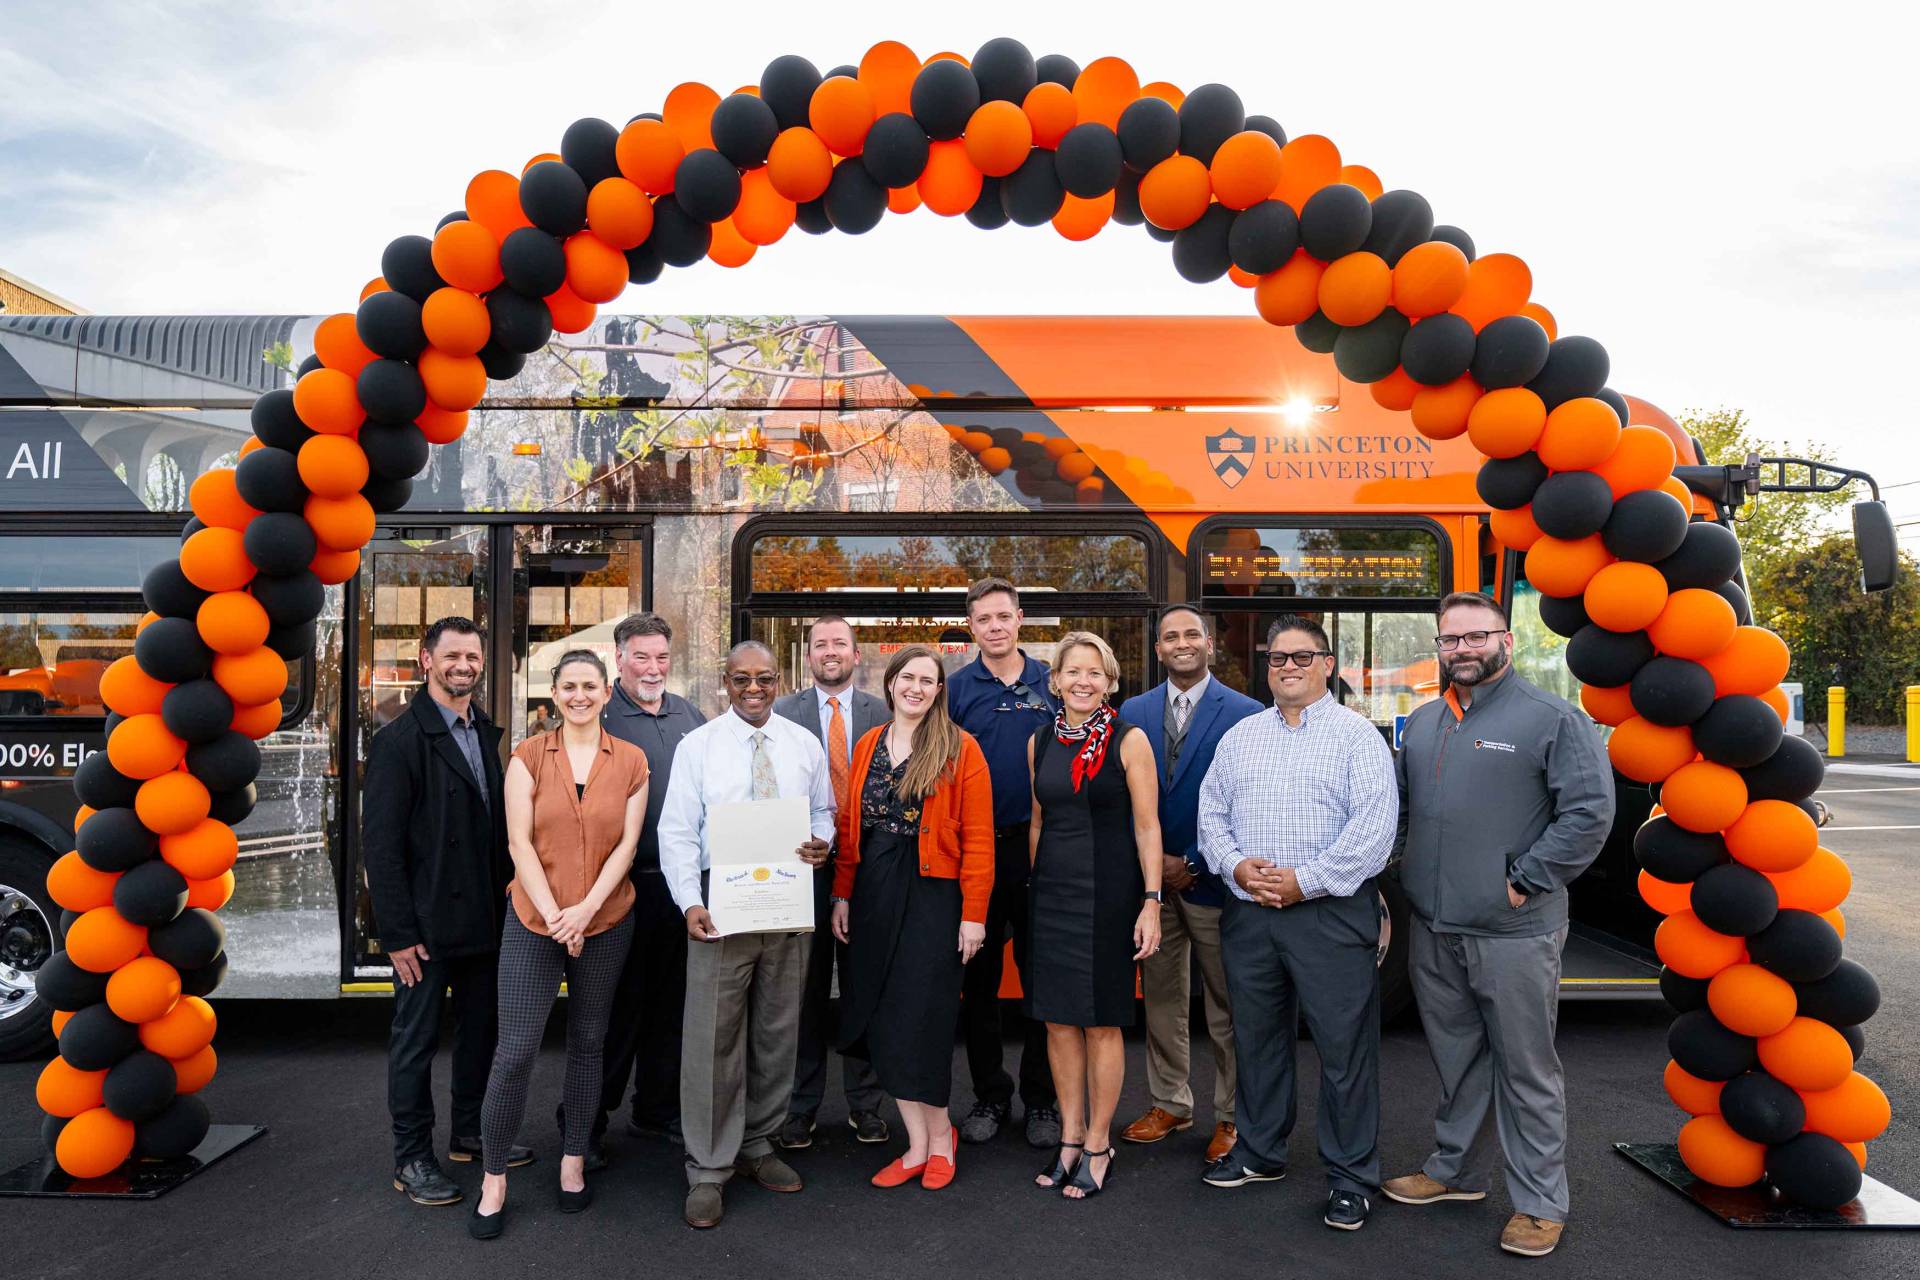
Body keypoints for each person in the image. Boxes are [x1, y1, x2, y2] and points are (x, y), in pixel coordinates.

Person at [1382, 592, 1615, 1259]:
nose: (1462, 649)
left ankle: (1540, 1205)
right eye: (1449, 640)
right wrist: (1405, 865)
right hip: (1434, 928)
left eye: (1474, 636)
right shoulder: (1424, 722)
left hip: (1514, 933)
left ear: (1504, 640)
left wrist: (1526, 881)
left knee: (1527, 1071)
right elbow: (1407, 814)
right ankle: (1456, 1173)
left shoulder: (1550, 718)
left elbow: (1589, 815)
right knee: (1457, 1062)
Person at [1197, 614, 1398, 1232]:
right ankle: (1260, 1153)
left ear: (1328, 665)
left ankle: (1350, 1176)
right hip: (1251, 915)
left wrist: (1302, 880)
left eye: (1302, 657)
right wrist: (1235, 865)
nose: (1288, 667)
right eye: (1278, 658)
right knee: (1257, 1040)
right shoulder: (1241, 737)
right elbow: (1211, 814)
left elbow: (1375, 831)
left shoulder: (1357, 738)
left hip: (1330, 917)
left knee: (1344, 1051)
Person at [657, 640, 836, 1230]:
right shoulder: (698, 747)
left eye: (763, 679)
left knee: (778, 1029)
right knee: (713, 1034)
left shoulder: (803, 744)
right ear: (724, 683)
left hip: (786, 900)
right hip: (720, 904)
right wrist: (689, 902)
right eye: (741, 680)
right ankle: (708, 1166)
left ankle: (759, 1142)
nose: (753, 689)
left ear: (778, 680)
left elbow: (822, 811)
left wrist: (821, 841)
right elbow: (678, 831)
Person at [470, 650, 649, 1239]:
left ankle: (574, 1161)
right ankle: (494, 1178)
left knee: (589, 1041)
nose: (579, 695)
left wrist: (586, 911)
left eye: (589, 686)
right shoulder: (525, 757)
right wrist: (555, 916)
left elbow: (626, 848)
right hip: (532, 918)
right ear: (554, 693)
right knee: (516, 1048)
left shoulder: (631, 760)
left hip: (605, 918)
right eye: (568, 686)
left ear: (606, 693)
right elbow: (518, 843)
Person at [362, 616, 519, 1208]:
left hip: (482, 920)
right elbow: (381, 847)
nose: (464, 665)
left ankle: (469, 1133)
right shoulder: (398, 741)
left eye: (473, 656)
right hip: (423, 930)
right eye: (452, 655)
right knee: (416, 1043)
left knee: (481, 1032)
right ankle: (411, 1158)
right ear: (426, 660)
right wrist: (397, 934)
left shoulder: (482, 731)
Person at [829, 645, 995, 1190]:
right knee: (881, 1016)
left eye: (928, 680)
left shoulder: (960, 748)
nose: (917, 688)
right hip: (873, 891)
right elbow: (852, 829)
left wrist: (973, 916)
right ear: (892, 683)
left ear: (939, 691)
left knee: (922, 1019)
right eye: (908, 678)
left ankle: (942, 1140)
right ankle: (916, 1145)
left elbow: (978, 840)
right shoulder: (869, 743)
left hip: (934, 897)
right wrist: (843, 894)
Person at [1118, 604, 1262, 1164]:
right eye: (1169, 637)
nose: (1180, 643)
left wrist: (1196, 861)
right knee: (1162, 1000)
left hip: (1215, 883)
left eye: (1190, 634)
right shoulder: (1132, 710)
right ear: (1158, 650)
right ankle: (1170, 1103)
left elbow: (1251, 804)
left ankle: (1231, 1116)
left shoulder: (1246, 713)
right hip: (1154, 887)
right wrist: (1156, 869)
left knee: (1227, 1005)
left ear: (1208, 644)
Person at [1026, 631, 1164, 1199]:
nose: (1083, 681)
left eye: (1095, 673)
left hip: (1111, 895)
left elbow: (1148, 827)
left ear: (1110, 683)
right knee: (1058, 1021)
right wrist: (1039, 886)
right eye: (1072, 671)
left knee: (1102, 1022)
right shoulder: (1039, 742)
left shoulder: (1130, 741)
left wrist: (1151, 903)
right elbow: (1038, 823)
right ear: (1055, 681)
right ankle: (1071, 1136)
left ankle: (1100, 1142)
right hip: (1053, 895)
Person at [585, 612, 707, 1162]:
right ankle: (585, 1125)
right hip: (617, 887)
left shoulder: (691, 714)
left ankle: (654, 1112)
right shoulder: (598, 714)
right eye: (641, 657)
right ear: (619, 659)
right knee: (613, 1012)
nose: (653, 668)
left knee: (671, 1008)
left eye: (661, 657)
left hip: (680, 889)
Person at [946, 577, 1061, 1149]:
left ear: (1020, 618)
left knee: (1043, 979)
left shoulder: (1054, 681)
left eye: (1002, 616)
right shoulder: (957, 688)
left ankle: (1042, 1101)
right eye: (982, 619)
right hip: (978, 850)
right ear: (972, 627)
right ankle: (990, 1094)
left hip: (1042, 849)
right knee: (980, 980)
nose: (994, 626)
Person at [772, 615, 890, 1149]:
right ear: (809, 655)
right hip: (803, 868)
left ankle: (866, 1105)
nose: (830, 652)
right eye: (820, 645)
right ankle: (800, 1107)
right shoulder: (780, 713)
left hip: (870, 871)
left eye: (839, 643)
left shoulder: (884, 714)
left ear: (856, 653)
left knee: (865, 990)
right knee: (805, 992)